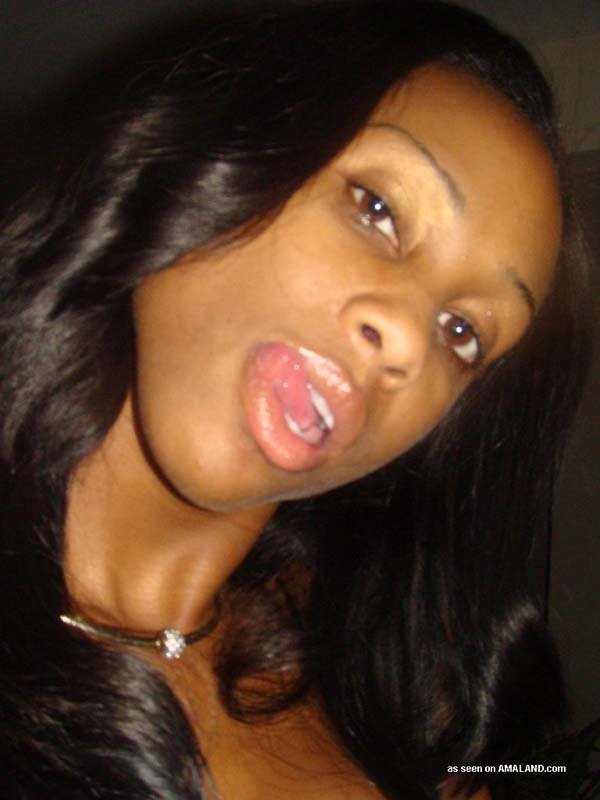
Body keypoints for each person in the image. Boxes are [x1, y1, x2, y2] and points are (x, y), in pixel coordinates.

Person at [0, 1, 591, 798]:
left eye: (463, 332)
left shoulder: (401, 680)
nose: (408, 339)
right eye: (376, 208)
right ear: (207, 150)